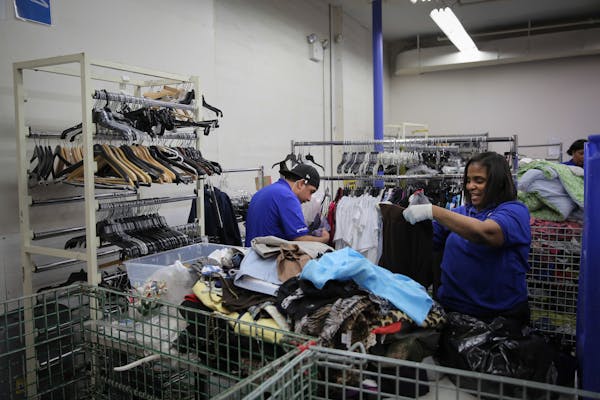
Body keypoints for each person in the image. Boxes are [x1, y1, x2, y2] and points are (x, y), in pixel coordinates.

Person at [402, 152, 531, 325]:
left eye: (479, 181)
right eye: (468, 180)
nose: (470, 186)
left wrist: (432, 211)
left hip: (499, 319)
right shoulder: (461, 213)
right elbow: (425, 243)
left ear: (498, 182)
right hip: (453, 314)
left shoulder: (515, 211)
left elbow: (486, 233)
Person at [244, 163, 330, 246]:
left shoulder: (264, 191)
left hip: (251, 256)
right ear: (301, 184)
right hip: (267, 259)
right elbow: (300, 240)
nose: (309, 198)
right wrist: (323, 239)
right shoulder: (287, 196)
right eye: (311, 192)